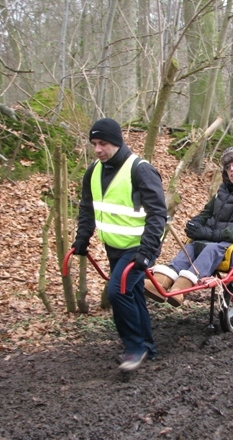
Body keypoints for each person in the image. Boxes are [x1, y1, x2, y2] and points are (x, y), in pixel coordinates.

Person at [72, 118, 167, 371]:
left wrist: (147, 252)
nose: (98, 149)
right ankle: (147, 346)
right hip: (114, 247)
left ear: (116, 142)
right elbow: (87, 207)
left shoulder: (140, 169)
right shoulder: (93, 171)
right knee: (133, 295)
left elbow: (158, 214)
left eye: (103, 143)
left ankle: (134, 349)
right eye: (94, 144)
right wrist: (82, 238)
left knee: (118, 292)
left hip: (139, 247)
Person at [144, 147, 233, 307]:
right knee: (191, 247)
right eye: (228, 167)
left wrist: (210, 234)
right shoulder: (224, 189)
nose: (232, 170)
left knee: (211, 249)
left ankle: (181, 290)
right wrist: (195, 223)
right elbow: (207, 212)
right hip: (214, 239)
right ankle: (161, 283)